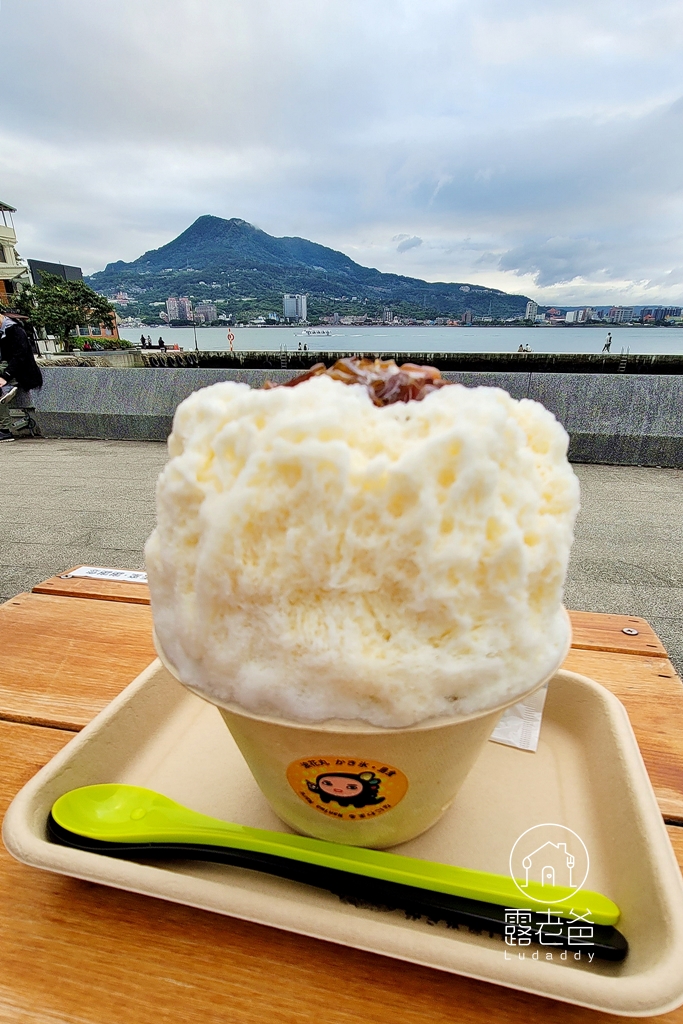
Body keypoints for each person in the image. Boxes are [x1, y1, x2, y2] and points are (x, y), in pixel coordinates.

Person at [0, 312, 43, 442]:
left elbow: (20, 357)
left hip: (19, 373)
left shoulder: (15, 330)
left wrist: (5, 376)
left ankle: (4, 430)